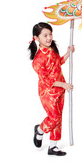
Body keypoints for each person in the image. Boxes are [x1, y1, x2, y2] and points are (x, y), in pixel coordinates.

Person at [29, 22, 74, 156]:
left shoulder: (52, 50)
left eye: (50, 34)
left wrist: (68, 53)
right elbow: (46, 80)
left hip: (60, 89)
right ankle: (40, 130)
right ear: (36, 38)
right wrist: (63, 85)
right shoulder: (38, 60)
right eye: (45, 35)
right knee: (53, 118)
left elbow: (58, 63)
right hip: (48, 92)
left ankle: (53, 147)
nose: (49, 38)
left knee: (58, 118)